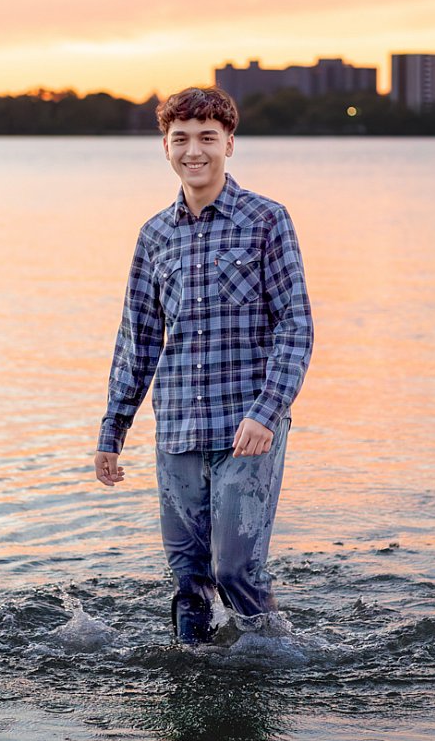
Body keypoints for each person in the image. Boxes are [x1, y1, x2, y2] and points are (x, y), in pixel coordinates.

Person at [93, 86, 313, 644]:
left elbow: (296, 325)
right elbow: (138, 339)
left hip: (248, 428)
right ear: (165, 147)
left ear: (229, 144)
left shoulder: (267, 221)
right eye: (181, 139)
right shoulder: (154, 236)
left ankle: (270, 667)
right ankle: (193, 681)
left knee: (236, 570)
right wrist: (112, 432)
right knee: (188, 578)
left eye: (208, 138)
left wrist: (268, 413)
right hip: (178, 431)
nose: (195, 151)